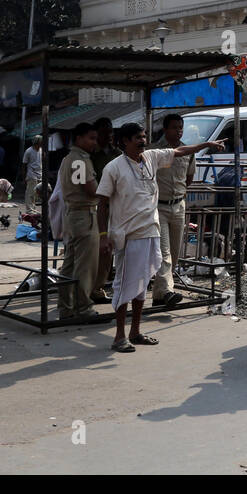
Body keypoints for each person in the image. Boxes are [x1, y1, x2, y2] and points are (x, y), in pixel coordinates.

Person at [96, 123, 224, 352]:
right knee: (124, 286)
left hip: (150, 231)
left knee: (141, 285)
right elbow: (102, 204)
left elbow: (179, 152)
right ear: (125, 141)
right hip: (128, 235)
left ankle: (135, 332)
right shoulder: (113, 168)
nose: (143, 140)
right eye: (138, 137)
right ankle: (119, 336)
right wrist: (103, 236)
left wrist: (206, 144)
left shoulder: (151, 157)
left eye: (144, 136)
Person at [151, 114, 195, 308]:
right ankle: (168, 291)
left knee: (175, 253)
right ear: (165, 129)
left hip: (178, 205)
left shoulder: (187, 151)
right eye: (174, 127)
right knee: (164, 252)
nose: (178, 131)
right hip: (159, 206)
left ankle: (159, 295)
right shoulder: (154, 151)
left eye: (181, 127)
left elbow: (189, 177)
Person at [58, 122, 101, 322]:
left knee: (69, 263)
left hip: (73, 214)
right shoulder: (80, 160)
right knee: (85, 265)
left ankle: (66, 307)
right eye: (91, 138)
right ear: (79, 138)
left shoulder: (69, 158)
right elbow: (92, 189)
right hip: (85, 214)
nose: (94, 142)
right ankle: (83, 308)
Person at [88, 118, 121, 305]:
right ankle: (88, 287)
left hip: (114, 206)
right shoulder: (91, 156)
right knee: (96, 248)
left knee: (108, 250)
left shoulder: (118, 154)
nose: (108, 136)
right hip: (96, 206)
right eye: (104, 133)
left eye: (110, 133)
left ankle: (98, 287)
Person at [22, 136, 44, 208]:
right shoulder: (28, 151)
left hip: (40, 174)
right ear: (38, 142)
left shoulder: (41, 150)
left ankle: (33, 208)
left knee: (36, 194)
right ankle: (29, 209)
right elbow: (24, 165)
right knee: (30, 193)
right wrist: (24, 177)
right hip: (31, 175)